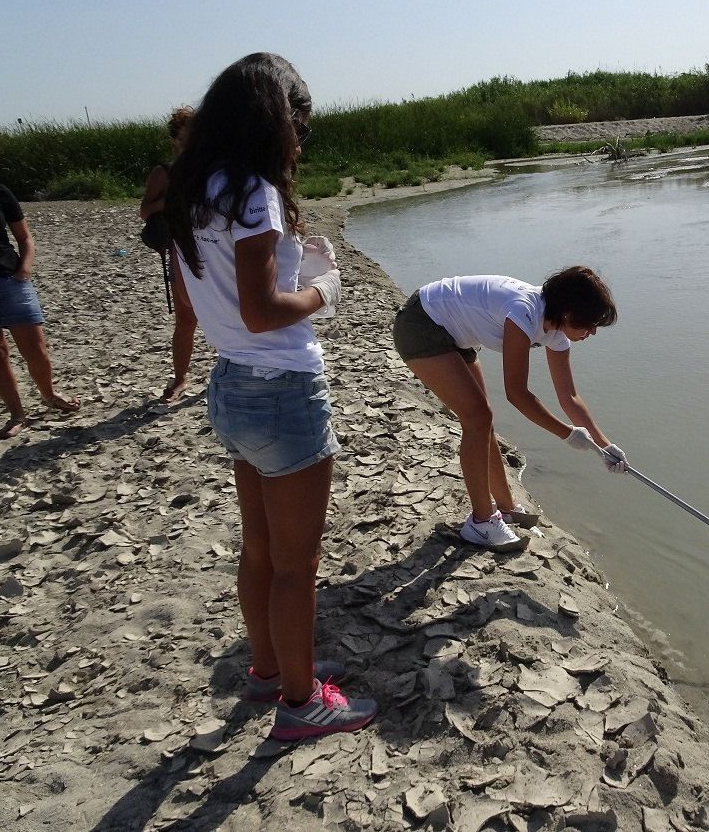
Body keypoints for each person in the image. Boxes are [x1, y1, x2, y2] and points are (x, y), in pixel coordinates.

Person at [166, 52, 375, 741]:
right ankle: (299, 700)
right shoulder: (253, 189)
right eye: (300, 123)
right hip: (281, 389)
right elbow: (261, 310)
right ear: (274, 118)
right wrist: (325, 290)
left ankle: (264, 671)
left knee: (259, 550)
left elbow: (228, 294)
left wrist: (297, 260)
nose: (301, 139)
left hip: (230, 384)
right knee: (297, 566)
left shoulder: (196, 188)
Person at [392, 268, 628, 552]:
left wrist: (604, 446)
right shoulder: (524, 312)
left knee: (483, 423)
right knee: (478, 418)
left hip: (456, 335)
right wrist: (567, 434)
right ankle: (481, 523)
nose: (591, 332)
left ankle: (505, 508)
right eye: (589, 324)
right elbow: (517, 394)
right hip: (422, 324)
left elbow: (570, 397)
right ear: (567, 312)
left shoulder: (557, 333)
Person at [0, 182, 80, 440]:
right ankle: (16, 414)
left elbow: (24, 237)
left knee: (36, 349)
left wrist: (25, 270)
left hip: (10, 279)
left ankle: (49, 395)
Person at [138, 107, 198, 405]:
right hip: (180, 250)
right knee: (186, 319)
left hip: (216, 248)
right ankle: (180, 378)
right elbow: (145, 211)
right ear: (175, 139)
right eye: (187, 136)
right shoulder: (164, 172)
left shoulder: (212, 169)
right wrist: (171, 197)